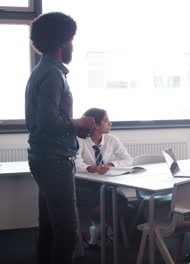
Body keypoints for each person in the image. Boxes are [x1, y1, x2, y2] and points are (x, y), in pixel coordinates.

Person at [25, 12, 95, 264]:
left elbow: (47, 119)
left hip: (44, 156)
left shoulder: (42, 70)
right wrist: (78, 124)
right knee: (67, 233)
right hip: (54, 159)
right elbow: (48, 121)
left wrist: (74, 126)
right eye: (71, 39)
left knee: (49, 228)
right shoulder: (53, 74)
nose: (73, 45)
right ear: (62, 42)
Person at [74, 108, 132, 247]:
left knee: (121, 200)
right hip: (84, 184)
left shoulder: (112, 139)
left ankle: (100, 229)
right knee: (103, 201)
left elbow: (128, 160)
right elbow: (75, 163)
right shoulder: (79, 140)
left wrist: (111, 164)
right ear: (96, 125)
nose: (110, 123)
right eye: (106, 121)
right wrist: (92, 168)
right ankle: (98, 228)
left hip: (105, 183)